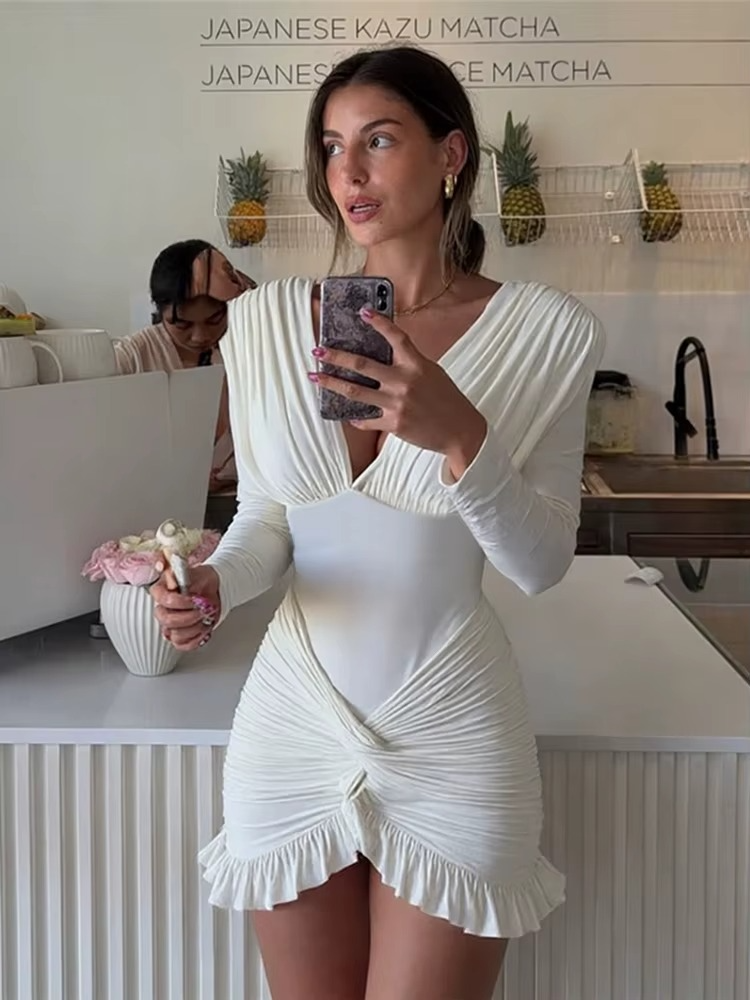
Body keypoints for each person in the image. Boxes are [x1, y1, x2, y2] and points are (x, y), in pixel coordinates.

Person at [150, 45, 605, 1000]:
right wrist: (217, 582)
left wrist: (462, 436)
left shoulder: (549, 332)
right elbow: (270, 520)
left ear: (451, 155)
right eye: (331, 146)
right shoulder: (268, 324)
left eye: (380, 141)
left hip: (453, 726)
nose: (347, 173)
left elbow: (539, 564)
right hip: (293, 718)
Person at [115, 240, 256, 493]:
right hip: (156, 502)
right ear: (160, 311)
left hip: (240, 501)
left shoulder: (247, 350)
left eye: (214, 319)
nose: (200, 336)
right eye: (182, 324)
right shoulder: (133, 357)